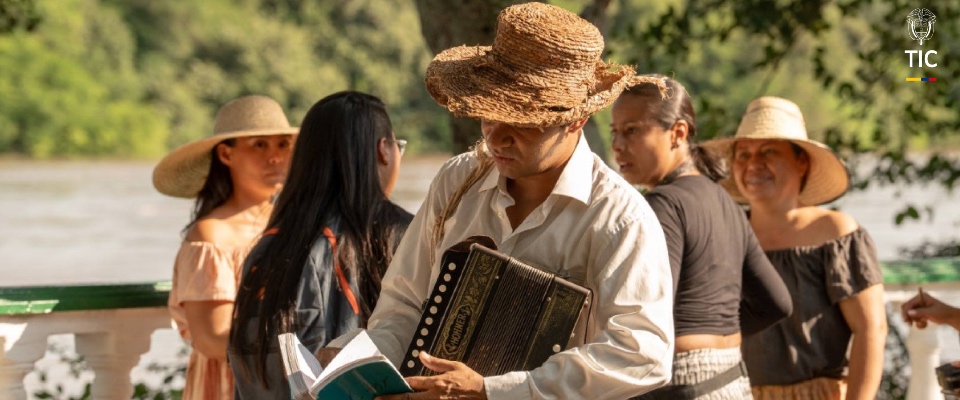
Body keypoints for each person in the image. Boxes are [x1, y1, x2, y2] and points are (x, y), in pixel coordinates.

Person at [320, 3, 674, 399]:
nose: (496, 135)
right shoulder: (457, 180)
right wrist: (358, 367)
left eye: (522, 120)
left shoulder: (620, 217)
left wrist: (495, 390)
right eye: (488, 113)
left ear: (576, 119)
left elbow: (642, 354)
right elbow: (403, 304)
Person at [610, 76, 792, 399]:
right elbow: (776, 303)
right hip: (733, 381)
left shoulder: (663, 204)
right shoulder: (727, 202)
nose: (617, 145)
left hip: (680, 386)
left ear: (678, 133)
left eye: (632, 130)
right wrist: (714, 333)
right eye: (615, 132)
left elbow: (648, 315)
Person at [228, 91, 414, 398]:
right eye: (398, 146)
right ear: (383, 150)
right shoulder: (407, 234)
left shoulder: (269, 246)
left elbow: (255, 372)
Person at [702, 96, 888, 400]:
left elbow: (872, 330)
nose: (754, 164)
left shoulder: (835, 233)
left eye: (769, 151)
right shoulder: (724, 233)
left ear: (801, 162)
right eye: (743, 154)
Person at [152, 95, 297, 400]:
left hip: (286, 381)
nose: (275, 156)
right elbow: (212, 340)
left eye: (283, 144)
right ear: (226, 154)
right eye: (259, 144)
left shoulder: (294, 225)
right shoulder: (211, 236)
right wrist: (299, 347)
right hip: (232, 383)